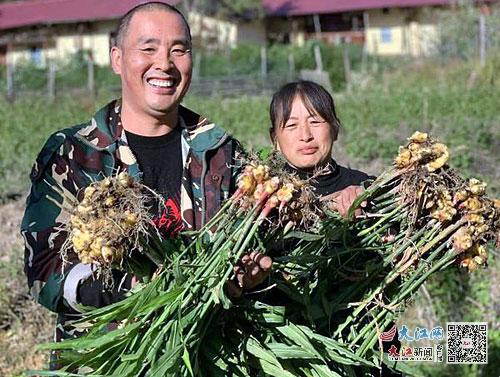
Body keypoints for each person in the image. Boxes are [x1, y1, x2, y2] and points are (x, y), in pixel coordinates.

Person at [20, 3, 264, 355]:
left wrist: (247, 277)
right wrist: (135, 289)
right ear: (117, 59)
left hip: (203, 355)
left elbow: (251, 247)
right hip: (105, 360)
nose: (164, 64)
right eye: (148, 49)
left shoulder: (222, 153)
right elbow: (44, 270)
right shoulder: (73, 154)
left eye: (179, 50)